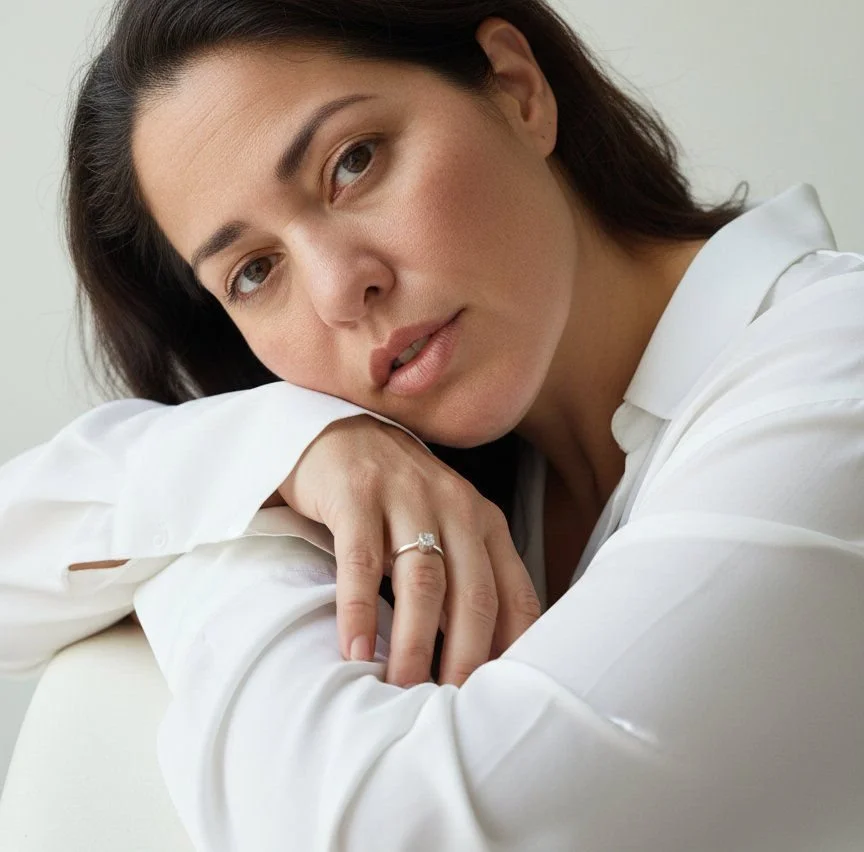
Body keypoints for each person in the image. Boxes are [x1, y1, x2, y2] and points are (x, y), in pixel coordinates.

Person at [1, 0, 863, 849]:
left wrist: (226, 531)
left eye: (354, 162)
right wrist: (292, 448)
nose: (341, 289)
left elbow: (385, 830)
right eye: (256, 271)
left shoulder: (834, 373)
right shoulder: (491, 476)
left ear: (519, 90)